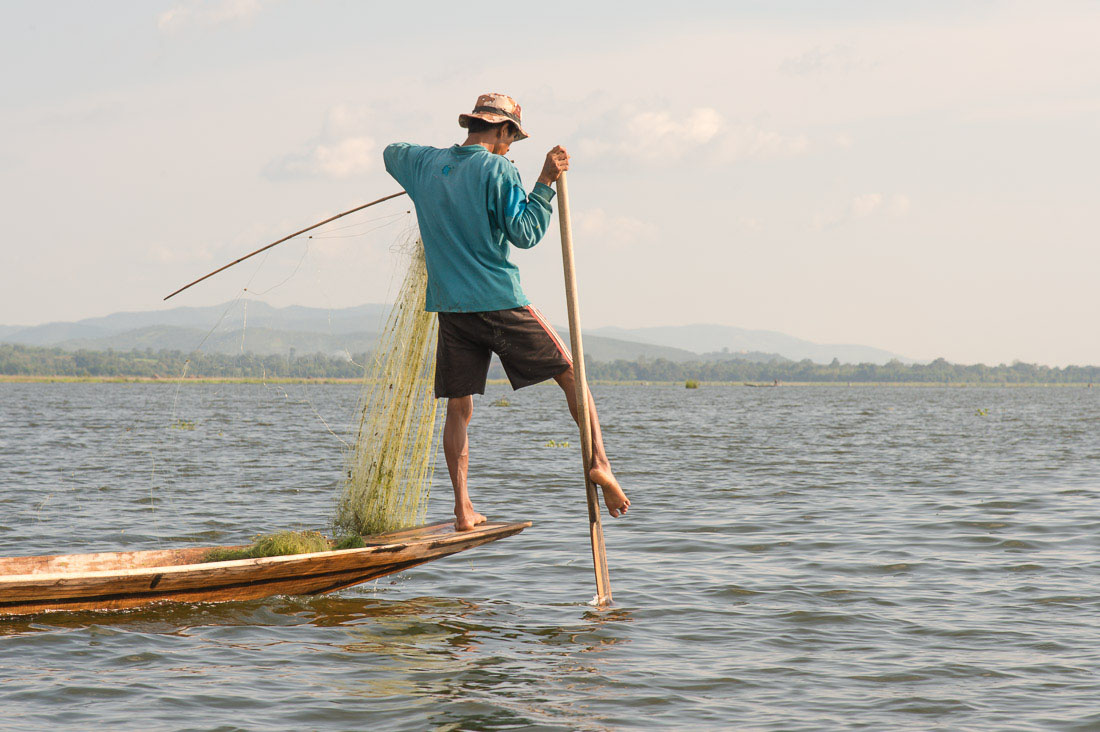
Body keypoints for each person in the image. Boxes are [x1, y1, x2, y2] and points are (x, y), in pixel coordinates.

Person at [383, 92, 630, 531]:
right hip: (499, 301)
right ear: (499, 130)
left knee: (459, 408)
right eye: (510, 137)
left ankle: (462, 510)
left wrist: (438, 170)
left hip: (452, 310)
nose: (510, 146)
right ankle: (601, 463)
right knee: (572, 374)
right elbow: (525, 232)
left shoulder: (423, 165)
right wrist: (544, 182)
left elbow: (392, 152)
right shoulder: (498, 169)